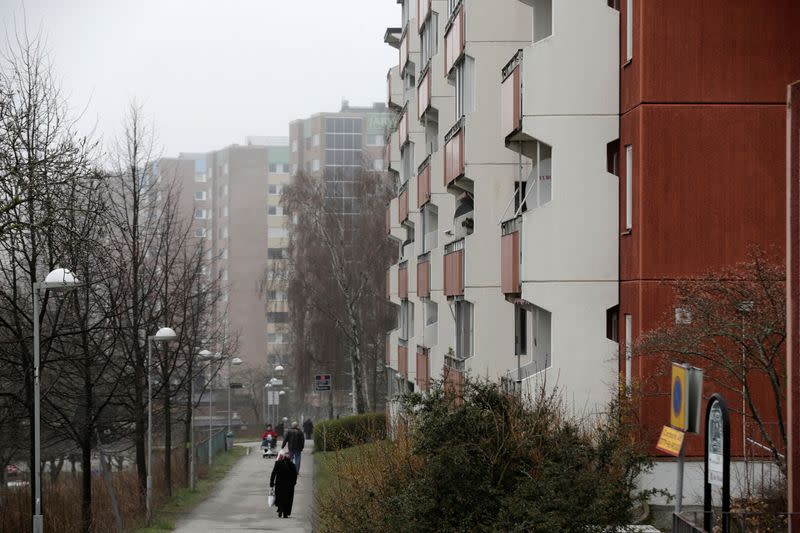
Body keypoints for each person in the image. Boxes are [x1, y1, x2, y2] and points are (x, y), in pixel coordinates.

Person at [269, 450, 298, 518]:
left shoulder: (278, 463)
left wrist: (272, 482)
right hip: (289, 485)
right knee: (288, 499)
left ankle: (280, 508)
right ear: (290, 458)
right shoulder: (292, 465)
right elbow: (295, 475)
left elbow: (273, 473)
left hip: (279, 484)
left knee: (279, 497)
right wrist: (294, 483)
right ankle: (285, 513)